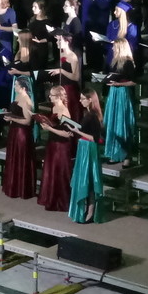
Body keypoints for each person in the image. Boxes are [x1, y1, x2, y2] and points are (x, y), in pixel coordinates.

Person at [37, 85, 76, 212]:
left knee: (60, 173)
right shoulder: (54, 107)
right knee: (51, 172)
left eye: (52, 95)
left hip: (61, 146)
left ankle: (61, 201)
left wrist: (49, 128)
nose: (49, 97)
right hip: (52, 143)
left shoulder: (65, 111)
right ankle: (50, 198)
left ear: (59, 96)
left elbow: (67, 134)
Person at [68, 89, 105, 223]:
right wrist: (75, 131)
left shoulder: (93, 116)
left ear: (90, 100)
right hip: (84, 148)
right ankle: (88, 209)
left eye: (83, 98)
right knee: (85, 179)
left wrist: (77, 132)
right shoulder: (88, 114)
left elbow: (94, 138)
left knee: (88, 179)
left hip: (89, 149)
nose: (80, 101)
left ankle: (91, 211)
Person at [1, 82, 37, 199]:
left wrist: (12, 118)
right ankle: (13, 186)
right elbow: (17, 113)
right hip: (14, 131)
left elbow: (27, 121)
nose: (14, 87)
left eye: (16, 85)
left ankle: (21, 188)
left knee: (21, 159)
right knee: (14, 158)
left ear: (23, 88)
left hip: (22, 133)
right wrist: (7, 112)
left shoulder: (27, 101)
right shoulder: (18, 96)